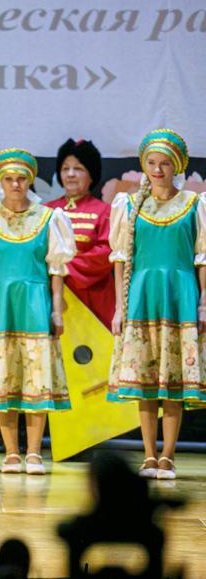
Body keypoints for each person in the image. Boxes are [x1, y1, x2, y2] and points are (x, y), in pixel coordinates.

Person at [0, 149, 76, 475]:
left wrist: (57, 311)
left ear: (29, 181)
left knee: (36, 379)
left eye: (21, 178)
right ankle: (11, 452)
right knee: (3, 378)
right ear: (1, 182)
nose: (15, 184)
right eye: (8, 179)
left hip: (34, 306)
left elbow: (56, 272)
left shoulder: (48, 218)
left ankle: (34, 452)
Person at [107, 129, 206, 480]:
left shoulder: (194, 204)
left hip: (179, 296)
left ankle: (168, 455)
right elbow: (120, 259)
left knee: (172, 380)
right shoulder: (129, 205)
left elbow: (202, 258)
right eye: (151, 163)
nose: (158, 170)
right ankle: (149, 454)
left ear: (176, 166)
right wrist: (120, 307)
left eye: (164, 163)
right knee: (146, 380)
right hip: (142, 296)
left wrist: (203, 302)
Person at [45, 139, 114, 327]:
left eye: (78, 168)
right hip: (51, 294)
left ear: (91, 175)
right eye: (65, 168)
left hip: (93, 297)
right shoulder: (45, 210)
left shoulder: (105, 211)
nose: (70, 174)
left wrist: (67, 267)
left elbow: (107, 251)